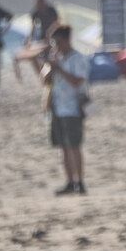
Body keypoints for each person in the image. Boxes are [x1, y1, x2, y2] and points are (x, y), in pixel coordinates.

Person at [44, 24, 90, 195]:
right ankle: (70, 181)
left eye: (56, 41)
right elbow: (46, 81)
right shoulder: (57, 58)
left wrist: (59, 69)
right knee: (63, 147)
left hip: (72, 108)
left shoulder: (77, 58)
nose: (55, 45)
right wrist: (49, 67)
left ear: (65, 40)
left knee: (74, 146)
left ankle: (80, 181)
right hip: (57, 107)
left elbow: (78, 81)